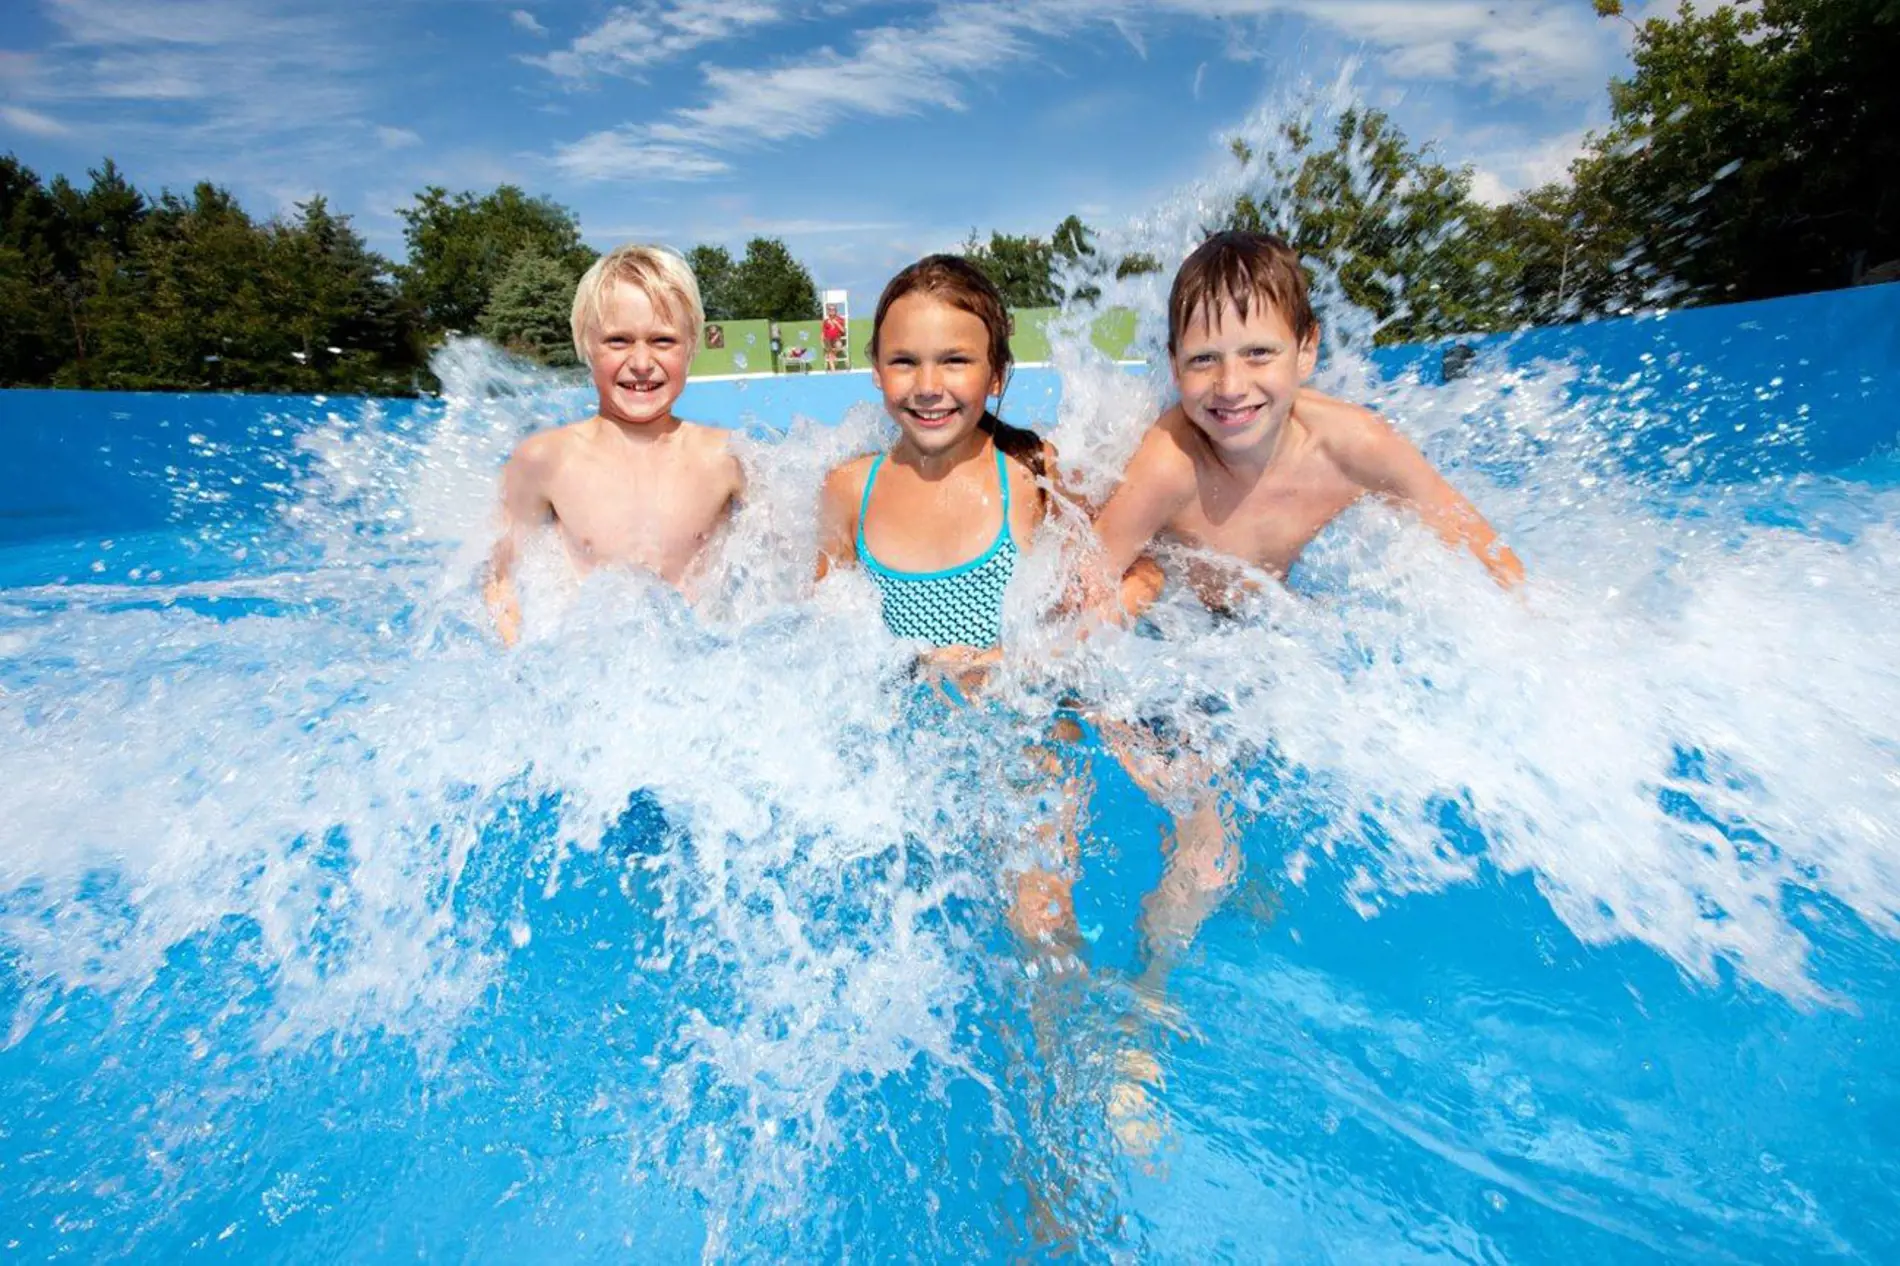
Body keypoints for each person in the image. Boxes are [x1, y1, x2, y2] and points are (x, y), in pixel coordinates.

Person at [1087, 228, 1524, 1003]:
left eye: (1259, 353)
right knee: (1209, 853)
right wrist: (1105, 701)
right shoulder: (1168, 465)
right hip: (1165, 645)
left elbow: (1484, 557)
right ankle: (1145, 1002)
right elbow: (1078, 592)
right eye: (1202, 360)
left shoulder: (1355, 445)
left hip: (1255, 640)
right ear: (1173, 367)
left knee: (1252, 807)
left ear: (1306, 349)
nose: (1230, 384)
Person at [484, 244, 744, 646]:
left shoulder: (727, 458)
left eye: (663, 340)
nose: (641, 362)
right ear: (587, 345)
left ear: (691, 346)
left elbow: (788, 572)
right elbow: (502, 582)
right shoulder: (543, 461)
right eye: (619, 341)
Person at [822, 303, 848, 371]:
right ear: (828, 311)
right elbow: (823, 333)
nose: (831, 311)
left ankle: (833, 354)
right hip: (827, 340)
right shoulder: (826, 321)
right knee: (830, 354)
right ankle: (833, 373)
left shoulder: (840, 319)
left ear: (836, 311)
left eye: (833, 309)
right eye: (830, 309)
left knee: (839, 345)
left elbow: (843, 331)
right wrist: (821, 341)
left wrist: (836, 323)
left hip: (836, 339)